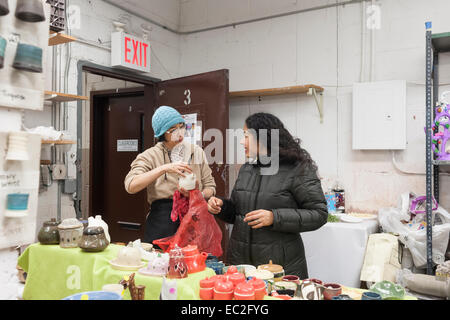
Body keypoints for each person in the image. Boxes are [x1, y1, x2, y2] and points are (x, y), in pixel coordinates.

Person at [207, 112, 327, 278]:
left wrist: (274, 217)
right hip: (242, 265)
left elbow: (319, 214)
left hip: (279, 267)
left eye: (246, 136)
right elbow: (237, 213)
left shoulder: (297, 168)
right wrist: (220, 206)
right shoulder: (247, 169)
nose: (242, 142)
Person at [124, 106, 216, 245]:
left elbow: (211, 186)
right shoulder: (150, 155)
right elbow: (131, 185)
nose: (180, 133)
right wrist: (164, 168)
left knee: (193, 263)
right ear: (162, 133)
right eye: (173, 130)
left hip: (194, 217)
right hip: (162, 220)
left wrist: (198, 195)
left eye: (182, 126)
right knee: (161, 263)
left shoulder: (196, 152)